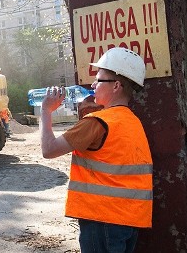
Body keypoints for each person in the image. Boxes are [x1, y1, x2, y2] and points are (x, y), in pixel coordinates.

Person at [39, 47, 153, 253]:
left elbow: (48, 150)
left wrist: (46, 111)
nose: (92, 85)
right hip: (130, 219)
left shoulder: (97, 122)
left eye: (99, 80)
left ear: (116, 85)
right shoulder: (132, 121)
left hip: (103, 219)